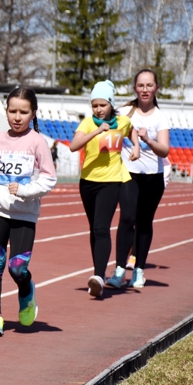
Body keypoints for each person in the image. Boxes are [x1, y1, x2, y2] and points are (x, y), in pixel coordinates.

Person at [0, 87, 57, 336]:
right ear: (6, 111)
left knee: (17, 267)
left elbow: (49, 179)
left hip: (24, 214)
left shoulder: (37, 142)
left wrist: (24, 190)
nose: (17, 117)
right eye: (13, 111)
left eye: (23, 112)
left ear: (33, 113)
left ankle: (26, 291)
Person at [69, 80, 139, 298]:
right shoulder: (88, 123)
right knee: (94, 229)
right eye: (94, 105)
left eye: (102, 105)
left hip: (111, 181)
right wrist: (98, 130)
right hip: (88, 181)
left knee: (101, 228)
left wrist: (135, 146)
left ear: (111, 103)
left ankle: (99, 276)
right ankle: (98, 273)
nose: (98, 109)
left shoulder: (123, 121)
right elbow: (73, 146)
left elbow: (131, 130)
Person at [107, 69, 171, 290]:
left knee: (144, 222)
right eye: (141, 86)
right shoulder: (125, 112)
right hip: (128, 174)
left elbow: (164, 150)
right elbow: (107, 127)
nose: (145, 90)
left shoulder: (160, 117)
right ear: (135, 88)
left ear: (156, 88)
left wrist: (148, 140)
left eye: (149, 85)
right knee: (127, 218)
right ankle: (118, 271)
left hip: (153, 177)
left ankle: (139, 271)